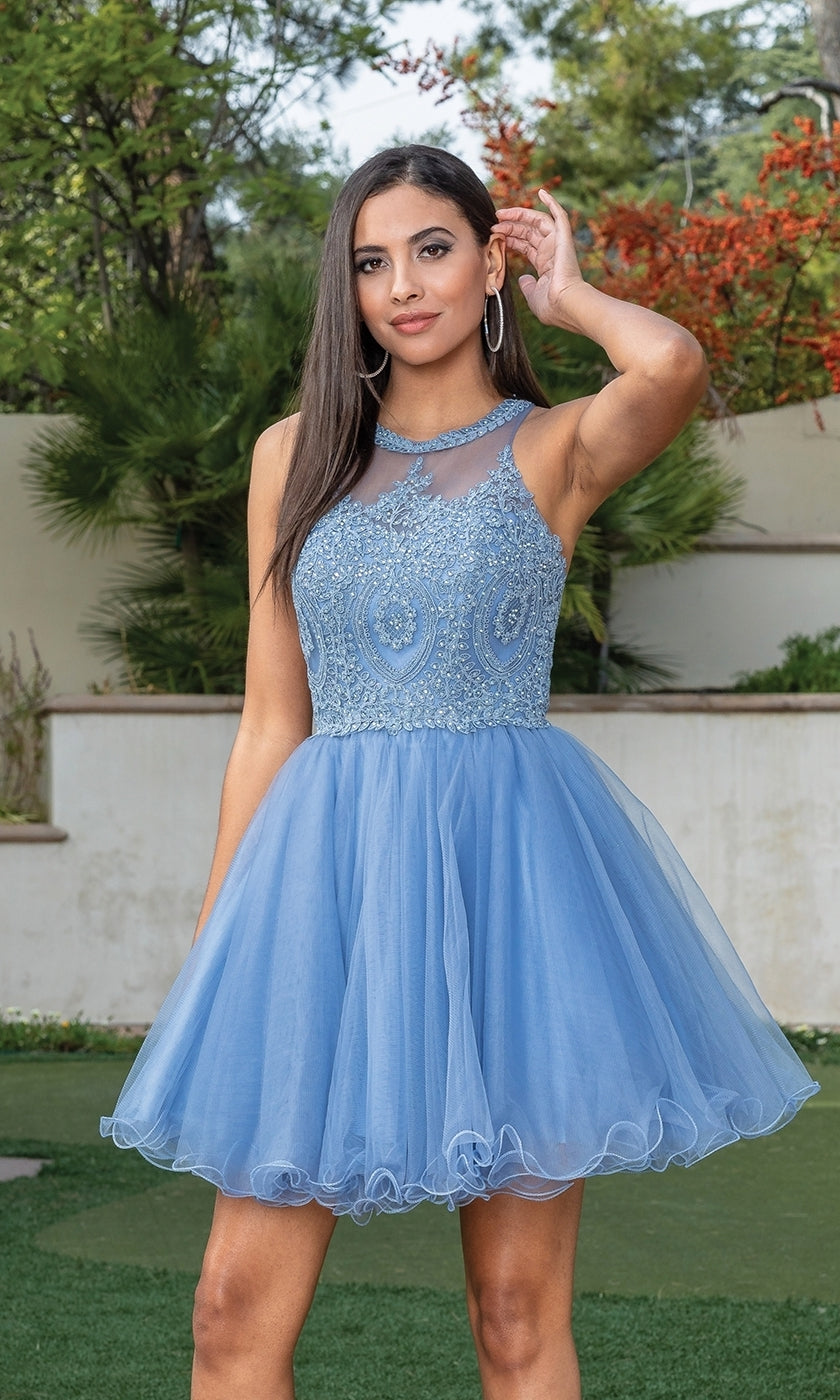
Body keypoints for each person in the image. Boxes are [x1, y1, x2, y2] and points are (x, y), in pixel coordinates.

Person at [101, 145, 819, 1400]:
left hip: (515, 905)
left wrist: (572, 296)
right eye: (371, 261)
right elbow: (270, 723)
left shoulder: (554, 447)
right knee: (227, 1315)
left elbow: (670, 368)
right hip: (323, 898)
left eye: (433, 249)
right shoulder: (293, 454)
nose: (402, 285)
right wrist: (226, 940)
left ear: (489, 263)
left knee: (515, 1315)